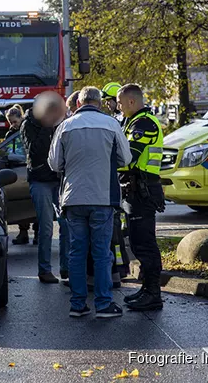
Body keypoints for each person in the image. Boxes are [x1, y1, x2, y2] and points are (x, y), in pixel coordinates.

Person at [48, 86, 131, 318]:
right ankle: (103, 304)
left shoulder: (65, 126)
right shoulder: (112, 125)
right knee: (102, 253)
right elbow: (125, 158)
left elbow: (54, 164)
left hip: (73, 198)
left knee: (76, 251)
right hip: (103, 197)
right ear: (100, 102)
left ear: (78, 104)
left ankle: (77, 304)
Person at [116, 83, 165, 311]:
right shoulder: (134, 122)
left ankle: (153, 293)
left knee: (145, 244)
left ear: (131, 102)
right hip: (136, 189)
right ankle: (147, 289)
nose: (118, 106)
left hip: (143, 190)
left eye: (120, 102)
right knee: (138, 241)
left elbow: (128, 158)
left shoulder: (144, 124)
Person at [21, 92, 69, 283]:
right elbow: (35, 152)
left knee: (66, 224)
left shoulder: (60, 123)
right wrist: (46, 127)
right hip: (40, 180)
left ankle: (66, 267)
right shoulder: (29, 124)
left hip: (58, 180)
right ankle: (45, 270)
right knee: (46, 227)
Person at [6, 104, 38, 245]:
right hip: (18, 170)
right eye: (10, 122)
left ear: (20, 118)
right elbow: (8, 151)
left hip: (30, 169)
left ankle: (38, 233)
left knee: (35, 204)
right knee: (22, 204)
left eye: (14, 121)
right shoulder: (10, 134)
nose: (13, 125)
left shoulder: (28, 130)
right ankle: (23, 232)